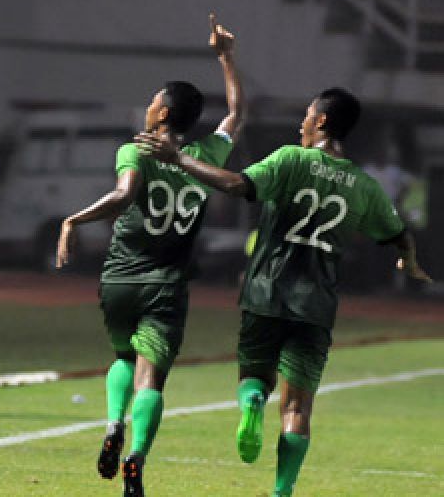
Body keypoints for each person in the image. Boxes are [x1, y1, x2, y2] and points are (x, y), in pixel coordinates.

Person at [135, 88, 431, 496]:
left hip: (265, 292)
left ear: (322, 121)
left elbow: (238, 185)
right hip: (316, 305)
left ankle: (254, 400)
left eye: (307, 115)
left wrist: (180, 159)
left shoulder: (291, 158)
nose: (302, 123)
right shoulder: (365, 186)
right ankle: (282, 491)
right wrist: (409, 261)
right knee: (297, 407)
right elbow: (400, 234)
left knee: (254, 377)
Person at [56, 15, 243, 496]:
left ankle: (113, 425)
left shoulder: (135, 151)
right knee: (152, 376)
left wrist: (74, 220)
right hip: (167, 284)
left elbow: (122, 197)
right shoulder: (206, 156)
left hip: (120, 278)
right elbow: (236, 114)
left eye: (152, 101)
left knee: (121, 354)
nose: (147, 107)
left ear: (162, 114)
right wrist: (226, 58)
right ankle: (136, 458)